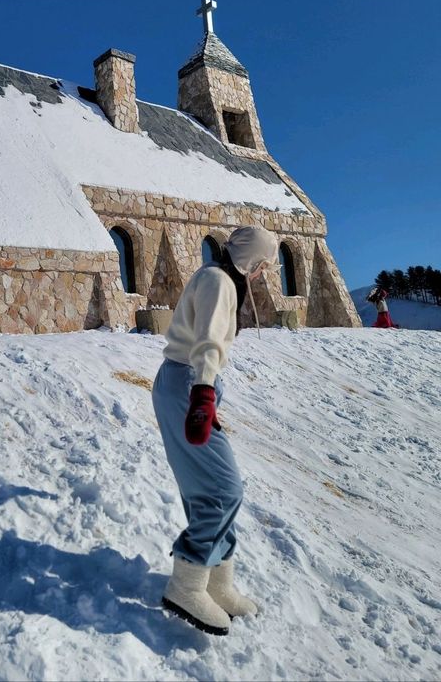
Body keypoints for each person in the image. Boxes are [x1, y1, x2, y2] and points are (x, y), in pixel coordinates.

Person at [152, 225, 279, 635]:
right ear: (252, 262)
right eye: (263, 266)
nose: (261, 274)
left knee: (206, 489)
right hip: (189, 382)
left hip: (188, 383)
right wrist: (204, 394)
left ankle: (217, 583)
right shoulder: (220, 281)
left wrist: (208, 395)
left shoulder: (217, 277)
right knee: (224, 490)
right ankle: (186, 585)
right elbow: (207, 342)